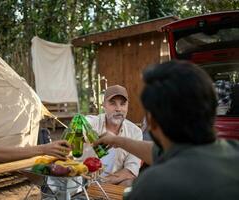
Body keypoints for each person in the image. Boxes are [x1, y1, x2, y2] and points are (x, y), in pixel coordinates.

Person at [94, 60, 239, 200]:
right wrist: (116, 140)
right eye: (113, 103)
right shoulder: (234, 152)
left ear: (152, 122)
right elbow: (159, 151)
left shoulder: (153, 186)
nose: (118, 108)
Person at [83, 85, 143, 186]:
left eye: (123, 104)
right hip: (83, 181)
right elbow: (77, 129)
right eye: (112, 103)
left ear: (127, 106)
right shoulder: (91, 123)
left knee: (130, 183)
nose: (118, 109)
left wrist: (102, 182)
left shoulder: (135, 132)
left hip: (111, 182)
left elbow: (131, 170)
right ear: (104, 105)